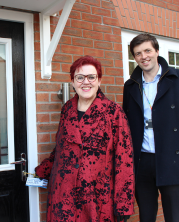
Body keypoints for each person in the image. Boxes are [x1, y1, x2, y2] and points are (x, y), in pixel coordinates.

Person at [35, 56, 134, 222]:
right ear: (73, 82)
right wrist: (44, 170)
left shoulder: (113, 113)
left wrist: (123, 204)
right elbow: (61, 149)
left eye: (91, 77)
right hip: (63, 196)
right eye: (80, 77)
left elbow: (124, 159)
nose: (85, 82)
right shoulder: (67, 109)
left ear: (99, 80)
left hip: (97, 199)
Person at [123, 33, 179, 222]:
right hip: (142, 162)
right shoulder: (130, 86)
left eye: (147, 50)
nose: (143, 56)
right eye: (138, 53)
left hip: (173, 160)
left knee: (174, 217)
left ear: (157, 51)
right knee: (146, 217)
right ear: (134, 57)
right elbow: (127, 128)